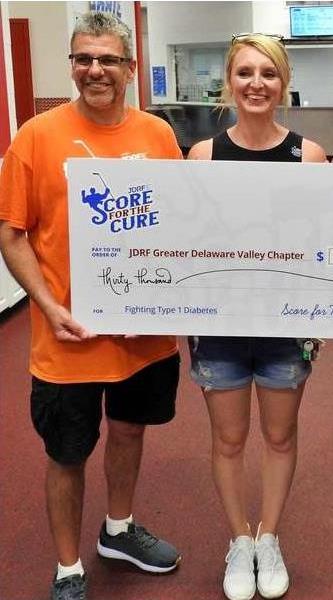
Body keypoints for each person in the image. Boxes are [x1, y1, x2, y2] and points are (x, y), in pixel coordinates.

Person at [0, 11, 182, 600]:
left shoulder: (157, 135)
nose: (94, 70)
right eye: (83, 58)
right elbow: (11, 233)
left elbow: (180, 221)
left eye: (107, 59)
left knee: (129, 432)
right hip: (69, 336)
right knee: (67, 453)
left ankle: (119, 530)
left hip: (142, 333)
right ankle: (68, 567)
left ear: (130, 68)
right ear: (72, 65)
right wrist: (48, 305)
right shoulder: (36, 135)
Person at [186, 33, 326, 600]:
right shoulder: (202, 156)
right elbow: (185, 243)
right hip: (219, 326)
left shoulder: (309, 156)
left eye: (268, 73)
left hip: (285, 328)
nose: (256, 84)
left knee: (279, 434)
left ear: (283, 81)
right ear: (229, 81)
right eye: (245, 73)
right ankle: (239, 540)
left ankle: (269, 537)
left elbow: (330, 240)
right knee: (228, 439)